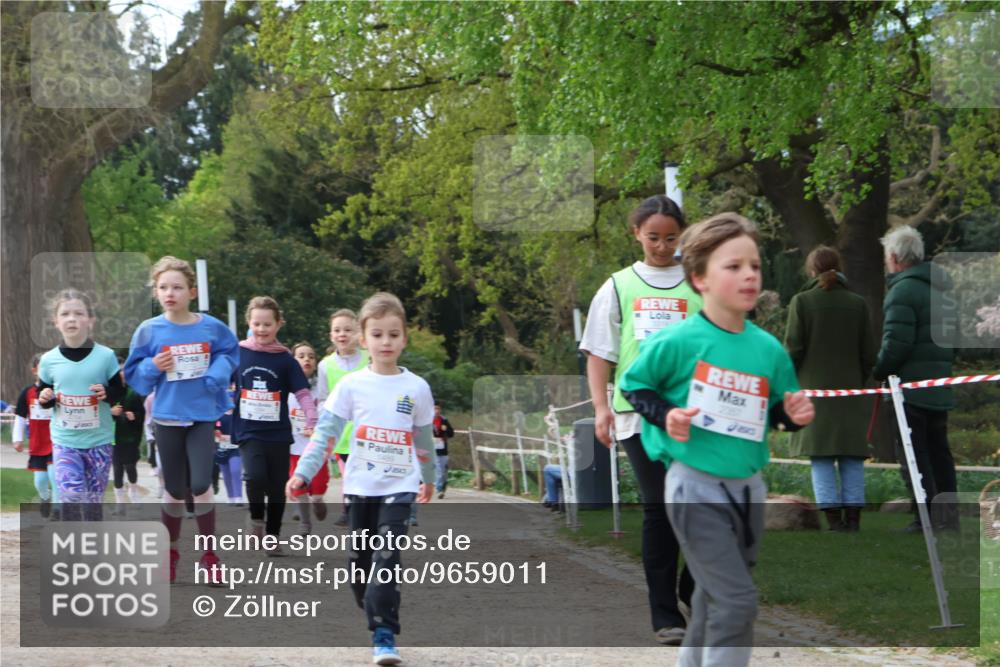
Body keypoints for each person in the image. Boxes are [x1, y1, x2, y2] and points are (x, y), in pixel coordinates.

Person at [621, 213, 815, 667]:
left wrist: (794, 417)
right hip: (695, 487)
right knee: (738, 601)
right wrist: (668, 415)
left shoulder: (767, 348)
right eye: (733, 266)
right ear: (699, 279)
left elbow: (773, 416)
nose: (749, 275)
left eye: (754, 266)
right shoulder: (679, 340)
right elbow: (635, 385)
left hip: (748, 490)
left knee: (713, 596)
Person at [287, 292, 436, 666]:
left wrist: (428, 478)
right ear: (363, 339)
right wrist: (304, 472)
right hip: (360, 488)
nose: (386, 342)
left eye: (393, 334)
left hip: (399, 487)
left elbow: (423, 439)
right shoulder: (351, 385)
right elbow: (324, 433)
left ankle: (384, 635)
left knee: (386, 560)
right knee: (361, 568)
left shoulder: (416, 387)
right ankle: (372, 603)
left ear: (404, 339)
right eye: (378, 335)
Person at [580, 194, 700, 645]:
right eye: (653, 238)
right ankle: (665, 615)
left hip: (693, 413)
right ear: (636, 234)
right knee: (659, 508)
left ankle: (692, 584)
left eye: (671, 238)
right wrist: (600, 408)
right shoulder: (617, 285)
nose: (663, 247)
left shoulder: (697, 282)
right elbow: (598, 352)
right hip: (637, 414)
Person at [124, 255, 239, 585]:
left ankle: (210, 556)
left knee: (202, 484)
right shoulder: (149, 330)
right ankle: (170, 552)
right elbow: (135, 374)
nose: (169, 293)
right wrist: (152, 367)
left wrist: (217, 373)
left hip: (202, 415)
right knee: (174, 489)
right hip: (167, 417)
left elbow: (229, 354)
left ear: (192, 292)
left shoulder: (211, 327)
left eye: (177, 287)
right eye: (163, 287)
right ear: (156, 293)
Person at [784, 246, 876, 531]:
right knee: (852, 457)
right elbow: (868, 354)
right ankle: (853, 521)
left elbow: (793, 350)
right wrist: (859, 381)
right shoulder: (858, 304)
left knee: (821, 456)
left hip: (813, 393)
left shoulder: (801, 302)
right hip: (851, 392)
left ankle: (834, 522)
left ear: (811, 270)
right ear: (839, 268)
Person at [872, 226, 958, 532]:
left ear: (894, 258)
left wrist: (878, 370)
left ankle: (925, 519)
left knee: (913, 455)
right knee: (940, 454)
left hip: (910, 389)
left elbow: (896, 343)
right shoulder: (943, 290)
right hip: (939, 385)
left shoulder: (902, 292)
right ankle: (948, 517)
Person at [233, 298, 317, 555]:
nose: (261, 329)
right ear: (249, 322)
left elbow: (302, 392)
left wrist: (312, 418)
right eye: (256, 323)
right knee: (255, 477)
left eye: (267, 324)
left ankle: (273, 535)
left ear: (278, 324)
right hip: (248, 429)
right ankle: (257, 520)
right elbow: (217, 380)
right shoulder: (237, 352)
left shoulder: (286, 360)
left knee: (278, 485)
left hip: (278, 432)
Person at [37, 289, 124, 522]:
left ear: (91, 320)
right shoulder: (48, 360)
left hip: (100, 442)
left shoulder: (106, 356)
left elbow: (119, 392)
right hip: (66, 441)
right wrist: (45, 397)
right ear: (56, 321)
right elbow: (43, 396)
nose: (72, 318)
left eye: (79, 313)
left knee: (93, 501)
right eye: (65, 314)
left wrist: (108, 392)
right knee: (72, 495)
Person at [316, 308, 369, 526]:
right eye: (337, 330)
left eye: (348, 329)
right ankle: (350, 509)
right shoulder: (325, 365)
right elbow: (322, 398)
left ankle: (366, 509)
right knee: (349, 473)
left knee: (366, 474)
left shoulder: (370, 358)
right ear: (331, 335)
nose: (342, 334)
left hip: (368, 429)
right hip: (342, 432)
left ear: (359, 333)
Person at [13, 353, 57, 518]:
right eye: (42, 368)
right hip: (38, 444)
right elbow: (20, 416)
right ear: (34, 371)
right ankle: (46, 498)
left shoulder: (57, 389)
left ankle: (58, 512)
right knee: (40, 482)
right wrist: (17, 439)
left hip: (56, 442)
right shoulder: (28, 392)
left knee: (55, 477)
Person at [287, 342, 325, 533]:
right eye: (301, 356)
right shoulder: (286, 387)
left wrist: (316, 428)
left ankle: (318, 500)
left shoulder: (321, 388)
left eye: (310, 356)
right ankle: (305, 521)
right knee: (298, 485)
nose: (306, 359)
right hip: (294, 446)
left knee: (317, 486)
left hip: (317, 446)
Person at [110, 358, 147, 515]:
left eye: (123, 370)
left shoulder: (134, 393)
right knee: (117, 469)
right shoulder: (109, 393)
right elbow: (100, 414)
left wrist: (135, 416)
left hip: (131, 438)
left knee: (130, 466)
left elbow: (142, 414)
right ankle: (120, 502)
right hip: (113, 438)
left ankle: (133, 490)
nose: (121, 374)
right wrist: (111, 413)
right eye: (118, 371)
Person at [214, 386, 243, 506]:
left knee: (235, 470)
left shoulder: (239, 415)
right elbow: (213, 429)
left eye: (232, 398)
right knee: (225, 474)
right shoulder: (218, 414)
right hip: (221, 448)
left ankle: (239, 497)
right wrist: (216, 432)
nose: (230, 400)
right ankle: (230, 496)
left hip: (235, 448)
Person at [432, 404, 455, 499]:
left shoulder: (444, 421)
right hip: (430, 449)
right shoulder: (426, 420)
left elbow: (451, 433)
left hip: (442, 449)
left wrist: (446, 431)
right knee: (437, 469)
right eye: (434, 409)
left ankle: (442, 487)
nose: (436, 411)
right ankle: (439, 489)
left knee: (442, 471)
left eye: (438, 409)